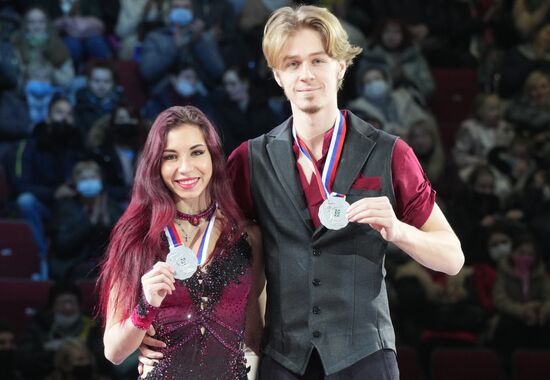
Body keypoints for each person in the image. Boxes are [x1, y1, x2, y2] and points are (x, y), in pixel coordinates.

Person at [141, 5, 464, 379]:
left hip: (364, 356)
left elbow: (452, 258)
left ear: (341, 66)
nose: (306, 74)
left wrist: (398, 230)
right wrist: (161, 327)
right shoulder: (250, 159)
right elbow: (204, 243)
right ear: (278, 75)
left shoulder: (390, 153)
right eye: (292, 64)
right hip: (283, 358)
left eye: (318, 60)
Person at [99, 106, 265, 379]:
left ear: (213, 157)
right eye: (170, 157)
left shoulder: (247, 237)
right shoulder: (138, 237)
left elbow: (256, 336)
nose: (185, 168)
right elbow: (114, 352)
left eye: (197, 152)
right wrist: (145, 307)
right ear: (156, 165)